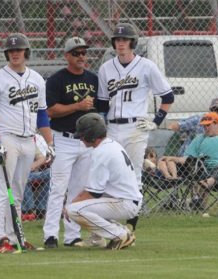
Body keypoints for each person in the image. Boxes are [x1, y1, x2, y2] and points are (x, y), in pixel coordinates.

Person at [97, 23, 174, 232]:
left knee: (134, 176)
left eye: (125, 40)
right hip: (112, 128)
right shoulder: (106, 68)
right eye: (118, 40)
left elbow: (168, 96)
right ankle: (111, 226)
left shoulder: (146, 66)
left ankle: (131, 226)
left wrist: (156, 122)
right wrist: (100, 125)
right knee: (109, 175)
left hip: (136, 127)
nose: (121, 43)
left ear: (133, 42)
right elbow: (103, 103)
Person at [0, 33, 54, 254]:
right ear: (7, 54)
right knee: (1, 190)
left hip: (29, 140)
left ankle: (15, 238)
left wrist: (50, 143)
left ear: (26, 53)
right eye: (11, 51)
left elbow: (42, 114)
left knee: (19, 192)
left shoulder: (37, 79)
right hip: (7, 138)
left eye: (19, 50)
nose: (15, 53)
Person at [43, 36, 98, 248]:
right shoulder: (57, 80)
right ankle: (50, 234)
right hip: (63, 139)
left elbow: (100, 106)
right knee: (58, 188)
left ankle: (72, 235)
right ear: (67, 56)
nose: (81, 57)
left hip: (86, 142)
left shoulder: (93, 78)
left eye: (84, 52)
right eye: (76, 53)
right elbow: (50, 111)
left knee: (79, 189)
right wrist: (77, 106)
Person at [67, 113, 142, 250]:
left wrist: (71, 205)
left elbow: (93, 193)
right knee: (82, 205)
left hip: (124, 203)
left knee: (73, 210)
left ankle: (120, 234)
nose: (81, 139)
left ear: (91, 135)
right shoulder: (110, 144)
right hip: (125, 199)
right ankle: (99, 239)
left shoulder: (102, 152)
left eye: (83, 135)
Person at [22, 135, 50, 221]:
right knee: (24, 177)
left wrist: (33, 165)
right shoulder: (7, 142)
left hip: (32, 173)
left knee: (51, 173)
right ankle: (29, 210)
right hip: (17, 175)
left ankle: (41, 209)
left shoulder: (30, 143)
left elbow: (43, 158)